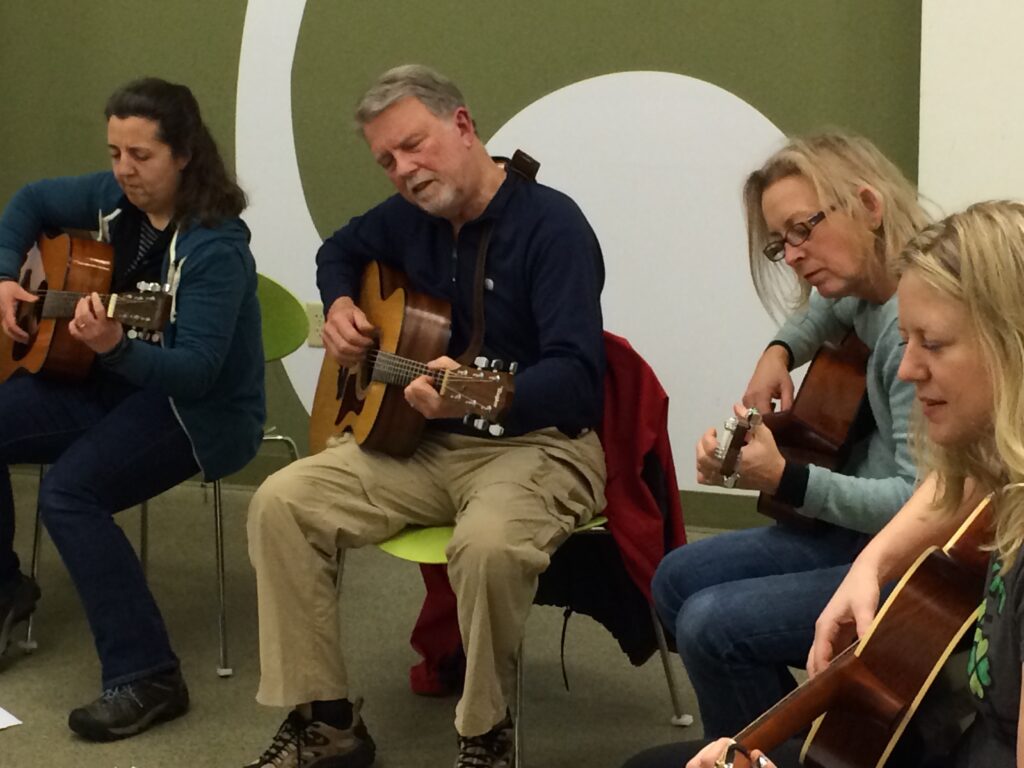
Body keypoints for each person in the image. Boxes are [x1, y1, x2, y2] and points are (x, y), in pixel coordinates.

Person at [244, 64, 606, 768]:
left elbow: (577, 381)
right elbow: (338, 250)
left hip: (535, 447)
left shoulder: (552, 225)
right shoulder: (410, 219)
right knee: (282, 501)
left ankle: (485, 733)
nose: (404, 170)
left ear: (463, 126)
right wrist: (343, 301)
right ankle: (328, 722)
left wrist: (476, 390)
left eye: (414, 145)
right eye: (387, 160)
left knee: (490, 545)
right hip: (420, 444)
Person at [634, 200, 1024, 768]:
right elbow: (956, 484)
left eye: (932, 344)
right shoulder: (1001, 472)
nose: (909, 367)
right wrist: (870, 567)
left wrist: (789, 478)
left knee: (711, 629)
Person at [0, 77, 265, 740]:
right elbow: (29, 201)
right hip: (109, 376)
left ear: (184, 155)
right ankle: (4, 591)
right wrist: (7, 274)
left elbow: (198, 372)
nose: (123, 169)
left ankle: (148, 675)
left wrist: (116, 346)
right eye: (115, 151)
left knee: (69, 492)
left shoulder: (215, 248)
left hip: (198, 411)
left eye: (140, 156)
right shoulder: (109, 200)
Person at [650, 133, 930, 738]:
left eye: (803, 230)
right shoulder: (863, 289)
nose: (795, 255)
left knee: (707, 625)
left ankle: (760, 746)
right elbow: (823, 311)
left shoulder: (916, 335)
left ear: (869, 206)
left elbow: (918, 501)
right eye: (783, 243)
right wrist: (777, 351)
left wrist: (787, 478)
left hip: (903, 555)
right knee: (673, 580)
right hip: (849, 528)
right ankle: (786, 741)